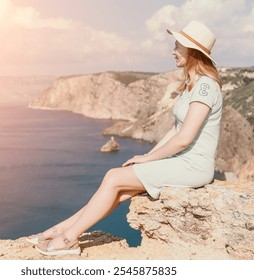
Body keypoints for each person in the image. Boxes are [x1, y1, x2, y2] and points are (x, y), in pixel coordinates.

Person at [29, 20, 223, 256]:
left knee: (114, 177)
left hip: (193, 165)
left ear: (193, 52)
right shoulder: (191, 85)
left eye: (177, 47)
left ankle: (68, 239)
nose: (173, 51)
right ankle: (59, 230)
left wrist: (148, 160)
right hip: (181, 161)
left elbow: (185, 137)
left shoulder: (206, 87)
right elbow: (174, 130)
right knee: (120, 190)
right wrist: (148, 156)